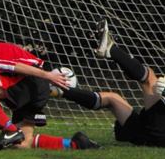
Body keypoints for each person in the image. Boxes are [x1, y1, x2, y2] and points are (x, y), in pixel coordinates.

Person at [60, 19, 165, 147]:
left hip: (158, 134)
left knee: (150, 80)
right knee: (112, 98)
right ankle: (59, 90)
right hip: (146, 133)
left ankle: (111, 50)